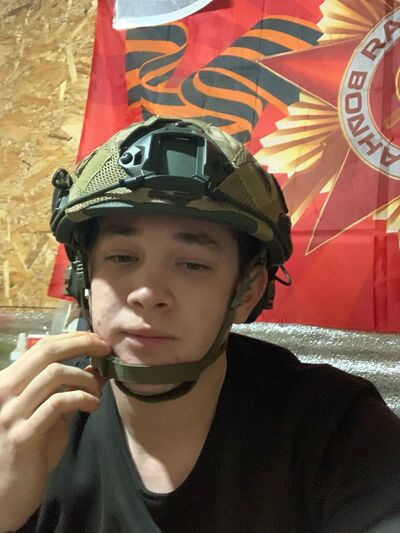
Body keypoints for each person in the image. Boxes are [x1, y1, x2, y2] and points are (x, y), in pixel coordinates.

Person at [0, 116, 399, 533]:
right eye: (122, 257)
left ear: (246, 292)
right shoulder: (27, 421)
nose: (147, 294)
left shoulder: (336, 429)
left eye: (192, 264)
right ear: (83, 277)